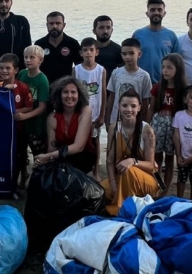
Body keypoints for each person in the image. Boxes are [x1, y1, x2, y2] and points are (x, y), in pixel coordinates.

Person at [101, 89, 159, 216]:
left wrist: (132, 161)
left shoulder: (147, 130)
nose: (129, 109)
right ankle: (126, 198)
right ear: (119, 107)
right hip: (120, 177)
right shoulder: (113, 127)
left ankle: (119, 209)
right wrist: (113, 183)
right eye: (125, 105)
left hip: (145, 180)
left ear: (139, 108)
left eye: (133, 106)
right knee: (102, 191)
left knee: (129, 170)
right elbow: (110, 160)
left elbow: (150, 165)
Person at [34, 77, 97, 174]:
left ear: (79, 95)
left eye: (73, 92)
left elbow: (78, 146)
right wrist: (43, 160)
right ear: (59, 95)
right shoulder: (52, 118)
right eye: (65, 92)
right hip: (60, 157)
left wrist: (48, 156)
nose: (69, 95)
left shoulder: (85, 111)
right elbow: (52, 148)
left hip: (82, 157)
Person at [147, 53, 187, 196]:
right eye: (163, 67)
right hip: (158, 125)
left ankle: (165, 189)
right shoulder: (157, 88)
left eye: (169, 68)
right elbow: (151, 108)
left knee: (170, 159)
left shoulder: (183, 90)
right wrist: (146, 126)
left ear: (178, 69)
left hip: (173, 127)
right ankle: (156, 184)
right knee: (156, 158)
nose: (165, 70)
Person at [0, 53, 34, 190]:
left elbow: (29, 107)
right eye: (1, 68)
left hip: (18, 129)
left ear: (16, 70)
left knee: (19, 156)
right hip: (2, 129)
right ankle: (6, 180)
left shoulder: (23, 87)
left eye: (8, 68)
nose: (4, 71)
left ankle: (17, 181)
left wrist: (18, 112)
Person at [73, 38, 106, 179]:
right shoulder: (76, 70)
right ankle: (79, 169)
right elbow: (72, 91)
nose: (88, 53)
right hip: (80, 113)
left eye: (91, 50)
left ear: (97, 52)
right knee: (79, 140)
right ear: (81, 53)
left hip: (95, 113)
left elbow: (104, 92)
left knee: (95, 140)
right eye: (85, 50)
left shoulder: (101, 70)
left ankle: (96, 172)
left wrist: (102, 115)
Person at [104, 39, 153, 129]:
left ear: (139, 54)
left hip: (135, 120)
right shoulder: (116, 73)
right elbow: (111, 97)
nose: (127, 57)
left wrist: (143, 122)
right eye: (124, 54)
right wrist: (107, 120)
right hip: (116, 120)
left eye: (131, 53)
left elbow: (145, 102)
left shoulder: (144, 76)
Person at [133, 0, 181, 84]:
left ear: (164, 13)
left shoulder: (171, 35)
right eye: (152, 10)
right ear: (147, 13)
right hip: (140, 83)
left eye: (159, 10)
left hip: (163, 84)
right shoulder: (138, 34)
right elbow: (131, 59)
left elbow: (177, 62)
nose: (156, 12)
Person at [16, 45, 50, 168]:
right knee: (20, 152)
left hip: (36, 124)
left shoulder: (42, 80)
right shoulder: (22, 74)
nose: (28, 60)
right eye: (25, 57)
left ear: (40, 60)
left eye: (32, 57)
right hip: (21, 122)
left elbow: (42, 106)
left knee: (38, 153)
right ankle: (23, 175)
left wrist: (26, 115)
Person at [36, 11, 82, 85]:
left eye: (58, 23)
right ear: (47, 25)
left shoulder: (73, 43)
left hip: (66, 86)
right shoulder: (39, 44)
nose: (54, 26)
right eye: (51, 23)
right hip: (45, 86)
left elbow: (80, 67)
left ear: (64, 25)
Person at [92, 15, 123, 81]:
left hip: (111, 89)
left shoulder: (118, 50)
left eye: (108, 28)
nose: (105, 31)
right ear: (94, 31)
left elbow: (123, 73)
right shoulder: (88, 50)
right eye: (101, 28)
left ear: (111, 30)